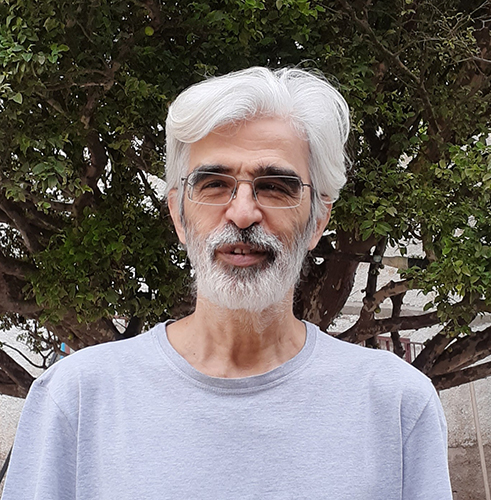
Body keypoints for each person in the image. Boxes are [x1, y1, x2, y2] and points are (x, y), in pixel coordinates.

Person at [2, 67, 452, 499]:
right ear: (179, 214)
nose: (242, 213)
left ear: (318, 219)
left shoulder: (397, 406)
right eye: (214, 184)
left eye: (275, 186)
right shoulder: (76, 399)